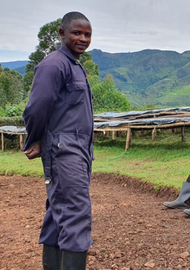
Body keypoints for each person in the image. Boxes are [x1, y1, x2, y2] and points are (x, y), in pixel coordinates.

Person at [23, 12, 94, 270]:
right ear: (62, 34)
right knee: (76, 214)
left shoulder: (74, 64)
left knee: (58, 212)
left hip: (77, 149)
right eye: (77, 33)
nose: (83, 39)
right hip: (65, 150)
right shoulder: (54, 64)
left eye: (87, 34)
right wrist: (35, 138)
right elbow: (37, 107)